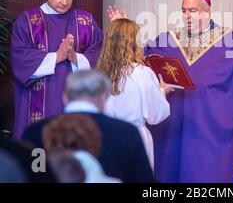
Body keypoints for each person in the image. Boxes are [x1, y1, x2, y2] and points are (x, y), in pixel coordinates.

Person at [108, 0, 233, 183]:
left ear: (207, 11)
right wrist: (120, 29)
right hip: (173, 131)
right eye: (184, 10)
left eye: (193, 10)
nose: (187, 15)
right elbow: (137, 60)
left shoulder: (232, 43)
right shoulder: (167, 41)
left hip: (211, 132)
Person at [11, 0, 104, 139]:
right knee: (39, 159)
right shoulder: (28, 21)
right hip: (39, 105)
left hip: (76, 101)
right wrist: (56, 57)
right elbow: (20, 59)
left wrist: (76, 58)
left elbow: (101, 52)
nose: (64, 2)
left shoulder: (85, 21)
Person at [22, 69, 155, 183]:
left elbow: (32, 177)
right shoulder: (126, 132)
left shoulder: (36, 132)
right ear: (104, 96)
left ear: (65, 97)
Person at [97, 18, 181, 170]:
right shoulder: (142, 73)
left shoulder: (100, 73)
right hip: (134, 138)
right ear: (134, 42)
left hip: (106, 138)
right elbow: (155, 115)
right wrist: (162, 90)